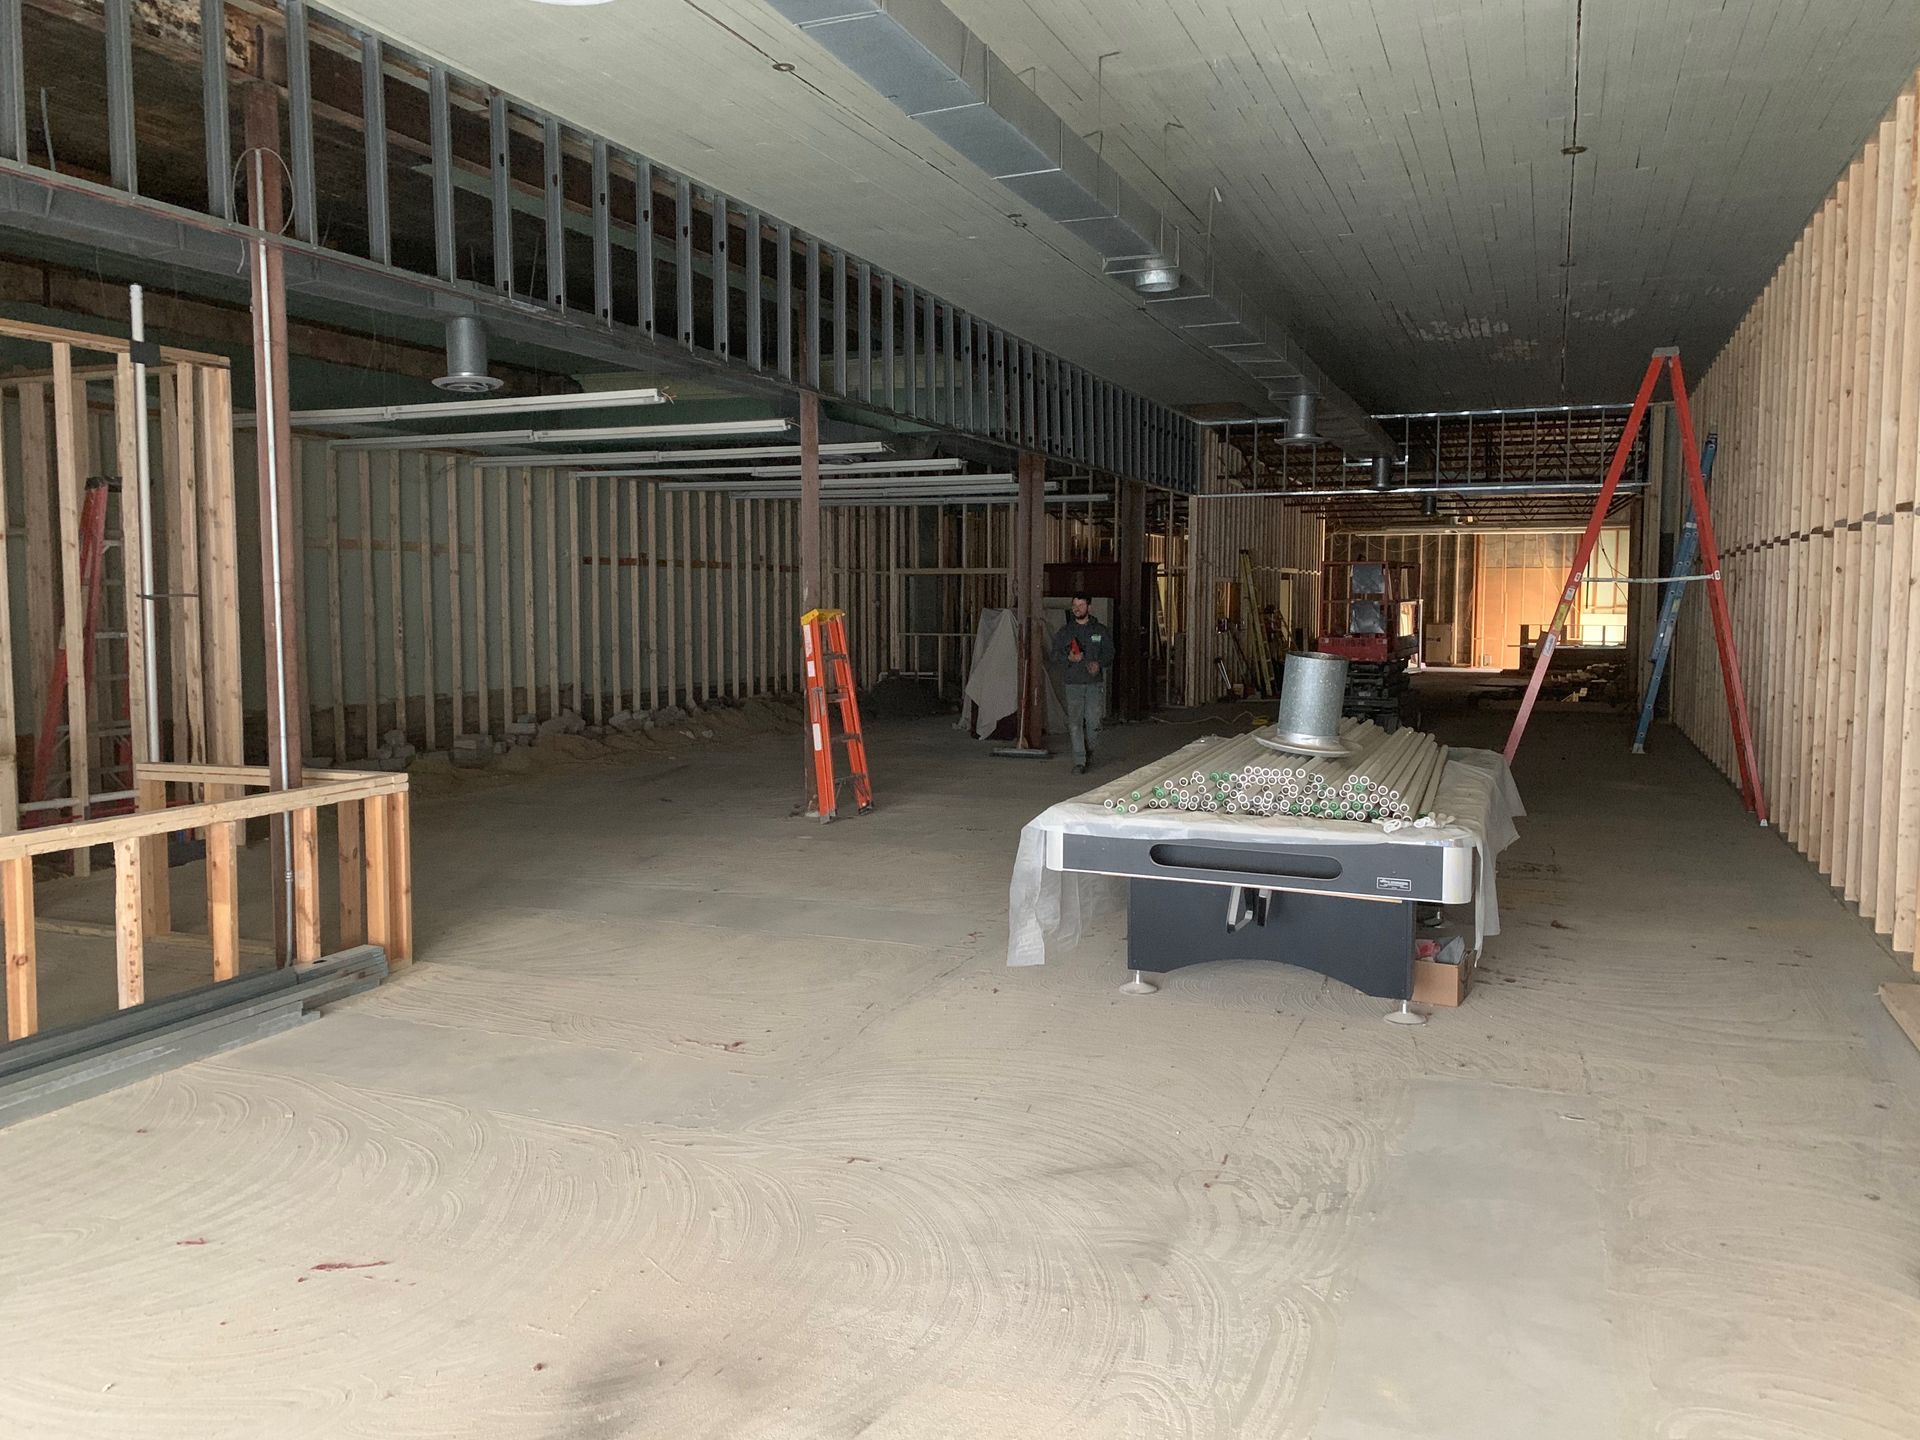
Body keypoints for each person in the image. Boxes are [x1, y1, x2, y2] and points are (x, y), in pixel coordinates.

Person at [1050, 593, 1113, 774]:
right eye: (1074, 605)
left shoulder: (1100, 631)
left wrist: (1099, 664)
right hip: (1073, 683)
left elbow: (1110, 652)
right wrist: (1068, 657)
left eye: (1081, 605)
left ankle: (1088, 749)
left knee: (1094, 722)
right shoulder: (1065, 632)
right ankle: (1079, 760)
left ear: (1089, 608)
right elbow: (1054, 654)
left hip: (1094, 683)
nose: (1077, 608)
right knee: (1075, 723)